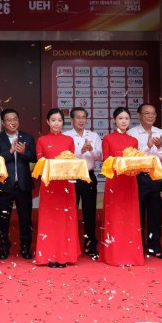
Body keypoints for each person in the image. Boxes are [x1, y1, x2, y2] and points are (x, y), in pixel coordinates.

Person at [35, 108, 80, 267]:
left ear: (63, 122)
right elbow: (40, 163)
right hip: (49, 185)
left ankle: (65, 255)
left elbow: (72, 161)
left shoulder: (69, 140)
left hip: (66, 184)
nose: (56, 123)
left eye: (59, 120)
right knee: (49, 219)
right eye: (53, 120)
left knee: (65, 219)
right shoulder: (41, 140)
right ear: (48, 122)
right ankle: (48, 256)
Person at [100, 107, 145, 266]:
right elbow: (106, 161)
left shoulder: (134, 141)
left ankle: (131, 255)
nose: (124, 121)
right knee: (115, 216)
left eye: (126, 118)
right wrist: (120, 162)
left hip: (130, 181)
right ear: (114, 120)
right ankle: (114, 255)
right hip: (115, 181)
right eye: (120, 118)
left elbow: (137, 161)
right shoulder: (108, 139)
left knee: (130, 217)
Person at [0, 108, 36, 260]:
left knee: (25, 219)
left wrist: (24, 152)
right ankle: (4, 247)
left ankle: (25, 248)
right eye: (9, 120)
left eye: (15, 119)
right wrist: (9, 152)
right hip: (4, 185)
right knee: (3, 219)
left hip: (23, 185)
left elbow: (34, 158)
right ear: (3, 123)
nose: (13, 122)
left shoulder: (27, 138)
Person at [128, 103, 162, 259]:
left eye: (153, 113)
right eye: (146, 113)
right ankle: (138, 246)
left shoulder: (161, 133)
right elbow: (132, 157)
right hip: (138, 177)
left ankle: (154, 247)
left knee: (155, 214)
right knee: (138, 213)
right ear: (139, 115)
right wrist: (148, 146)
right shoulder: (132, 133)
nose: (150, 116)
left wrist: (159, 147)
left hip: (156, 177)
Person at [63, 107, 102, 259]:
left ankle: (90, 244)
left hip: (88, 176)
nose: (81, 120)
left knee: (90, 212)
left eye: (83, 117)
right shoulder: (66, 136)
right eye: (78, 117)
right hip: (71, 176)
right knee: (70, 212)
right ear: (71, 120)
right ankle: (69, 246)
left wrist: (91, 149)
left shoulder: (93, 136)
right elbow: (65, 158)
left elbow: (100, 157)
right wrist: (81, 151)